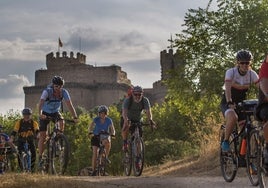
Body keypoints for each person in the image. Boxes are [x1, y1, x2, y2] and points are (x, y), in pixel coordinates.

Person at [220, 50, 259, 152]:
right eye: (242, 63)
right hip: (228, 102)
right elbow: (227, 89)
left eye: (247, 62)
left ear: (250, 63)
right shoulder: (231, 72)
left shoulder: (252, 74)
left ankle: (243, 155)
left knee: (246, 127)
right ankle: (226, 141)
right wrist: (229, 101)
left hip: (242, 104)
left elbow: (262, 88)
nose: (245, 65)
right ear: (238, 63)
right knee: (233, 117)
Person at [38, 76, 78, 166]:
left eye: (60, 86)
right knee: (43, 136)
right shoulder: (47, 92)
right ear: (53, 85)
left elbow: (70, 105)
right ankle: (40, 156)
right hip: (45, 113)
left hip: (55, 112)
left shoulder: (64, 92)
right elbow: (40, 103)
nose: (58, 88)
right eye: (56, 86)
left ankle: (59, 139)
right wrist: (40, 114)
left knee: (61, 122)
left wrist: (75, 117)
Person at [121, 85, 156, 151]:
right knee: (125, 128)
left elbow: (148, 112)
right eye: (135, 94)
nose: (137, 96)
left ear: (142, 94)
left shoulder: (145, 100)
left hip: (138, 119)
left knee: (139, 137)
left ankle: (138, 157)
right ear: (133, 94)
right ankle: (125, 143)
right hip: (127, 118)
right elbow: (124, 112)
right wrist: (126, 121)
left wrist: (150, 120)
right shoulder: (128, 100)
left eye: (139, 94)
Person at [88, 105, 115, 176]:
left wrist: (113, 134)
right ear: (99, 113)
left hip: (104, 136)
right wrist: (90, 132)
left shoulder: (109, 120)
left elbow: (112, 129)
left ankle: (105, 157)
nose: (102, 114)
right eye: (101, 113)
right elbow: (91, 126)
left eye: (104, 113)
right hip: (96, 137)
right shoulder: (96, 119)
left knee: (108, 142)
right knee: (95, 153)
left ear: (106, 113)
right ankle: (94, 171)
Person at [256, 54, 268, 169]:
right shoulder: (265, 66)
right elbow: (263, 83)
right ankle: (267, 149)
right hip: (265, 105)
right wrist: (267, 94)